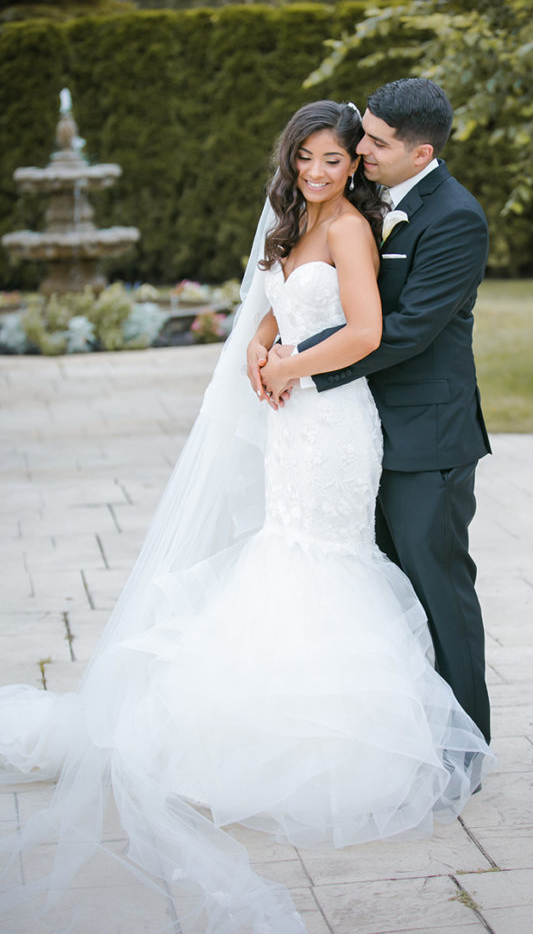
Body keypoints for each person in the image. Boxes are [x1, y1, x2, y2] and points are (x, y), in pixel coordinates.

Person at [0, 100, 493, 934]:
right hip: (296, 418)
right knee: (286, 553)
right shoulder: (297, 223)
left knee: (346, 562)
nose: (324, 169)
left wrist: (293, 363)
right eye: (312, 156)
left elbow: (374, 327)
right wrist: (263, 350)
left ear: (395, 153)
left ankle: (417, 745)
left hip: (339, 422)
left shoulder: (360, 228)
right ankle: (264, 730)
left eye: (341, 157)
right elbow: (277, 302)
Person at [257, 78, 492, 745]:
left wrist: (298, 371)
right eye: (363, 132)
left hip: (425, 435)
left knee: (436, 589)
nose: (359, 149)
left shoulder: (454, 217)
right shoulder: (358, 199)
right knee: (376, 594)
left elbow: (409, 328)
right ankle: (395, 734)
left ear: (420, 154)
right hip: (350, 432)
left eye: (375, 142)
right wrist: (265, 341)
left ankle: (463, 745)